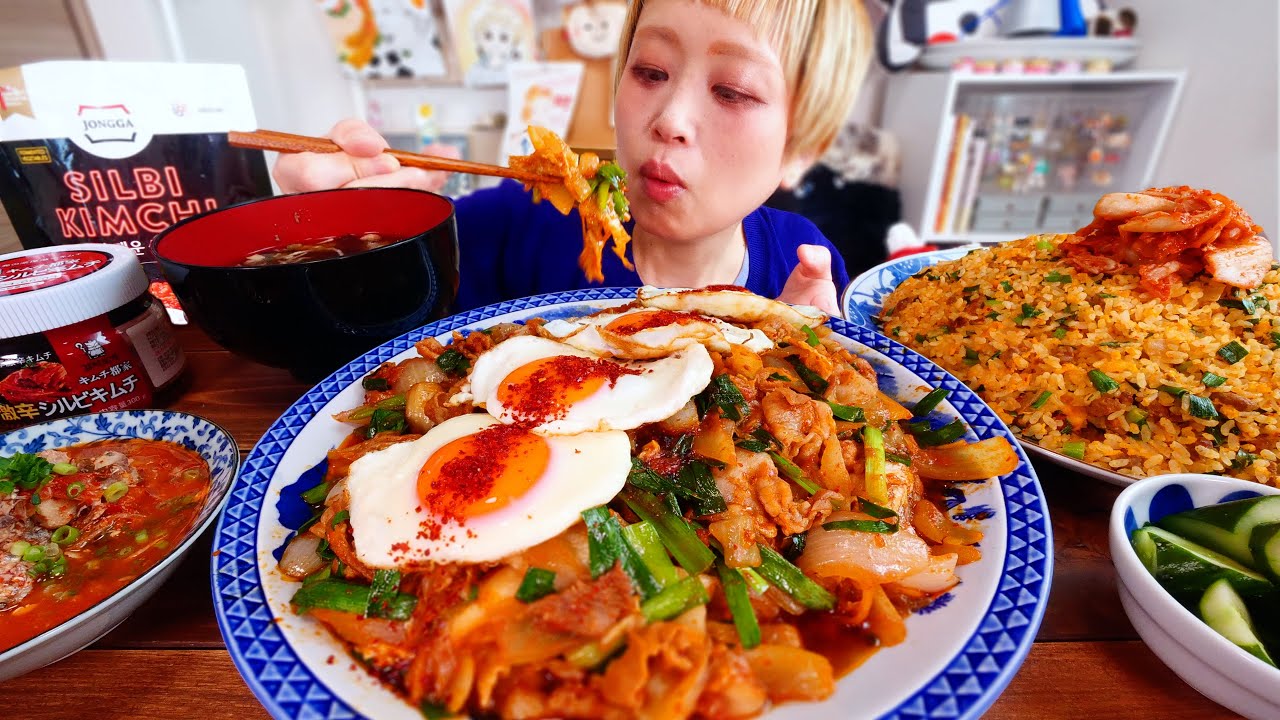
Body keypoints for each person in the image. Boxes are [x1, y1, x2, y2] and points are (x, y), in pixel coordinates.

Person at [273, 0, 872, 315]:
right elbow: (378, 324)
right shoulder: (518, 220)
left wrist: (804, 360)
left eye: (733, 90)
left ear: (801, 148)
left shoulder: (802, 262)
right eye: (650, 72)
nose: (668, 120)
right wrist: (345, 242)